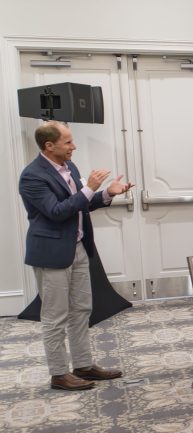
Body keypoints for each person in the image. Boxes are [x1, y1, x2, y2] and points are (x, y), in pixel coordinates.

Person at [19, 121, 131, 390]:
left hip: (79, 248)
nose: (74, 146)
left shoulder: (71, 167)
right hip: (52, 254)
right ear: (50, 146)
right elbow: (57, 212)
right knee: (55, 315)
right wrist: (90, 188)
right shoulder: (32, 176)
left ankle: (83, 365)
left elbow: (82, 204)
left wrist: (105, 193)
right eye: (68, 142)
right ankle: (59, 373)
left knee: (82, 310)